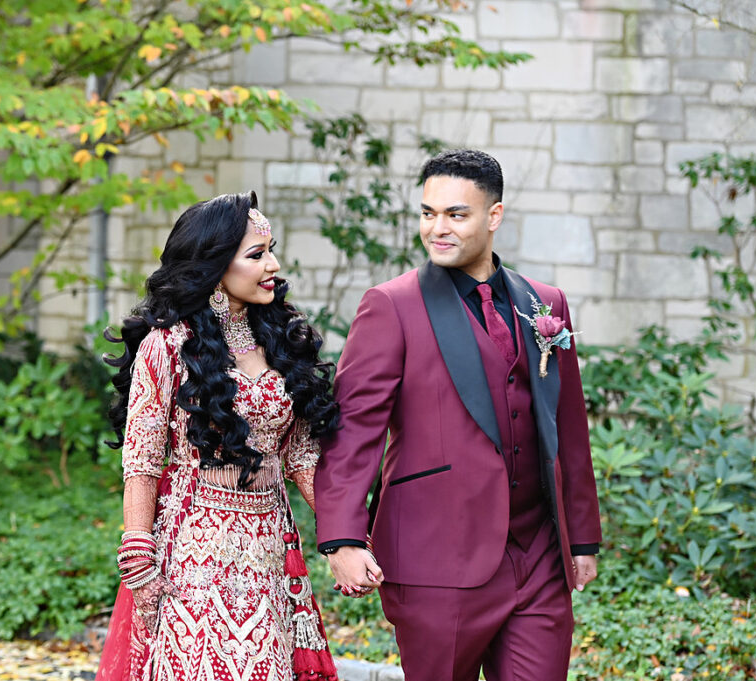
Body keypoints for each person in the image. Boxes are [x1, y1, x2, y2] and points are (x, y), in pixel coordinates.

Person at [313, 149, 602, 681]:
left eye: (455, 214)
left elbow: (567, 428)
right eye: (428, 213)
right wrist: (342, 538)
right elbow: (353, 432)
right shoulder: (391, 306)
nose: (436, 228)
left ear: (494, 217)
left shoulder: (545, 303)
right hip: (436, 559)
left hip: (537, 556)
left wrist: (581, 538)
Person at [96, 191, 340, 681]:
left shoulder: (281, 340)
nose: (272, 264)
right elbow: (142, 463)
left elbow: (301, 459)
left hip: (270, 546)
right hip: (192, 550)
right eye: (256, 254)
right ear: (214, 267)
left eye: (272, 249)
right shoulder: (167, 347)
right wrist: (139, 559)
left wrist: (346, 537)